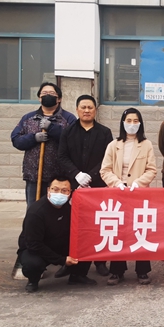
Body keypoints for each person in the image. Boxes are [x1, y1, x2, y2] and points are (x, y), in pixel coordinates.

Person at [57, 95, 113, 277]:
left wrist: (91, 176)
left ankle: (100, 261)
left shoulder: (105, 132)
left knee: (98, 224)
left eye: (90, 107)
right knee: (72, 225)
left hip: (97, 185)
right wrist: (76, 175)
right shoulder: (67, 132)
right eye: (83, 107)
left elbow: (108, 159)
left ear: (95, 110)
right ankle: (70, 261)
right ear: (77, 110)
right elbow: (62, 156)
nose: (87, 110)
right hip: (73, 184)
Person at [100, 108, 157, 286]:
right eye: (129, 121)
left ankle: (142, 270)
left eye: (135, 121)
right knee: (119, 230)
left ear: (140, 123)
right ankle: (117, 270)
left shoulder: (146, 144)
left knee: (140, 229)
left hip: (138, 193)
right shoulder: (113, 145)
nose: (132, 124)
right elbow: (105, 170)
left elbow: (151, 170)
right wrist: (117, 183)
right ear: (123, 123)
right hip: (118, 192)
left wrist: (138, 183)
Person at [17, 177, 95, 292]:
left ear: (70, 192)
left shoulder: (70, 208)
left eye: (64, 190)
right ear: (48, 190)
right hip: (37, 248)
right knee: (33, 264)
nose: (59, 194)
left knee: (87, 242)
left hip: (60, 244)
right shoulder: (36, 212)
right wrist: (62, 260)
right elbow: (33, 244)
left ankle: (77, 275)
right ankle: (33, 280)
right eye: (55, 189)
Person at [11, 82, 76, 206]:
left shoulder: (68, 118)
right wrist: (33, 138)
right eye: (44, 93)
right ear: (39, 98)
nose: (48, 95)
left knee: (58, 210)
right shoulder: (28, 118)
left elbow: (73, 141)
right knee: (34, 210)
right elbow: (16, 140)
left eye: (51, 93)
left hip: (60, 177)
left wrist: (52, 129)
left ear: (59, 98)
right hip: (34, 176)